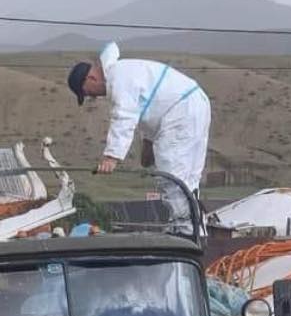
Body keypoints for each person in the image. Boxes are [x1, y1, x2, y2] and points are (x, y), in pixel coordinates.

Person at [67, 41, 211, 230]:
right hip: (193, 104)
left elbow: (124, 117)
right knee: (189, 178)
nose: (92, 97)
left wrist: (111, 157)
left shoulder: (118, 78)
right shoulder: (125, 73)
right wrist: (148, 144)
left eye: (87, 93)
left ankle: (183, 228)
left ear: (91, 78)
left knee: (171, 173)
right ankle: (196, 228)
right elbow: (151, 104)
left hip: (181, 110)